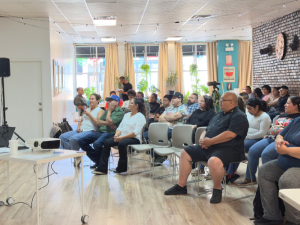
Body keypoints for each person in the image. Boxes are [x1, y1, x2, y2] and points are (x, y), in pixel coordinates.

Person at [164, 92, 249, 204]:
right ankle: (181, 186)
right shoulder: (218, 114)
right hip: (210, 146)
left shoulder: (239, 116)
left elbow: (230, 134)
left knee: (213, 161)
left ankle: (217, 189)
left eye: (222, 100)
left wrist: (210, 141)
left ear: (232, 103)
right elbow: (207, 129)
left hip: (230, 149)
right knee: (185, 152)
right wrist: (202, 139)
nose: (219, 101)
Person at [238, 96, 300, 186]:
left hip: (281, 141)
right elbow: (273, 127)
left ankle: (269, 181)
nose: (285, 105)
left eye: (288, 103)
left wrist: (279, 139)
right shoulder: (282, 115)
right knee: (252, 151)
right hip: (270, 137)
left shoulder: (297, 119)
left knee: (266, 154)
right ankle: (250, 178)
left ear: (295, 106)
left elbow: (287, 134)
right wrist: (268, 133)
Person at [254, 116, 300, 225]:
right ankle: (271, 216)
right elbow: (280, 135)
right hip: (284, 161)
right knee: (264, 171)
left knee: (287, 180)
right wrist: (279, 141)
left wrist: (287, 151)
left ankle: (294, 220)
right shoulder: (297, 120)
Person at [92, 98, 147, 175]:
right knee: (107, 143)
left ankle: (122, 168)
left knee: (122, 143)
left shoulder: (140, 117)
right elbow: (120, 127)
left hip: (134, 139)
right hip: (121, 137)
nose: (129, 104)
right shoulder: (127, 115)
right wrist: (116, 135)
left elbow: (135, 133)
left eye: (131, 103)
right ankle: (102, 169)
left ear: (136, 105)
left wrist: (121, 138)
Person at [227, 99, 271, 183]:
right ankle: (228, 171)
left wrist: (246, 137)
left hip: (257, 139)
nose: (248, 111)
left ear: (257, 107)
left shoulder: (265, 117)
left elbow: (262, 133)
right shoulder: (249, 114)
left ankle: (231, 173)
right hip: (246, 137)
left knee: (239, 146)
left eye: (250, 108)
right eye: (247, 108)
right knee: (231, 145)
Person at [78, 95, 124, 169]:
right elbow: (97, 122)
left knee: (97, 144)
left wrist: (109, 111)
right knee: (81, 141)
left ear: (116, 102)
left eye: (110, 101)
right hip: (101, 131)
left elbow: (108, 122)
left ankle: (100, 164)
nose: (108, 102)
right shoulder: (106, 111)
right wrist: (107, 122)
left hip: (111, 133)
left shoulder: (120, 112)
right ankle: (98, 161)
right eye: (108, 100)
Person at [60, 94, 102, 167]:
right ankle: (77, 155)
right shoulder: (87, 109)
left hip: (91, 130)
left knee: (73, 138)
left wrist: (90, 115)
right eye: (90, 99)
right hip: (81, 129)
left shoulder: (100, 110)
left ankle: (76, 154)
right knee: (62, 137)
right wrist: (78, 126)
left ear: (98, 101)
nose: (90, 100)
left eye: (93, 99)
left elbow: (97, 123)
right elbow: (81, 120)